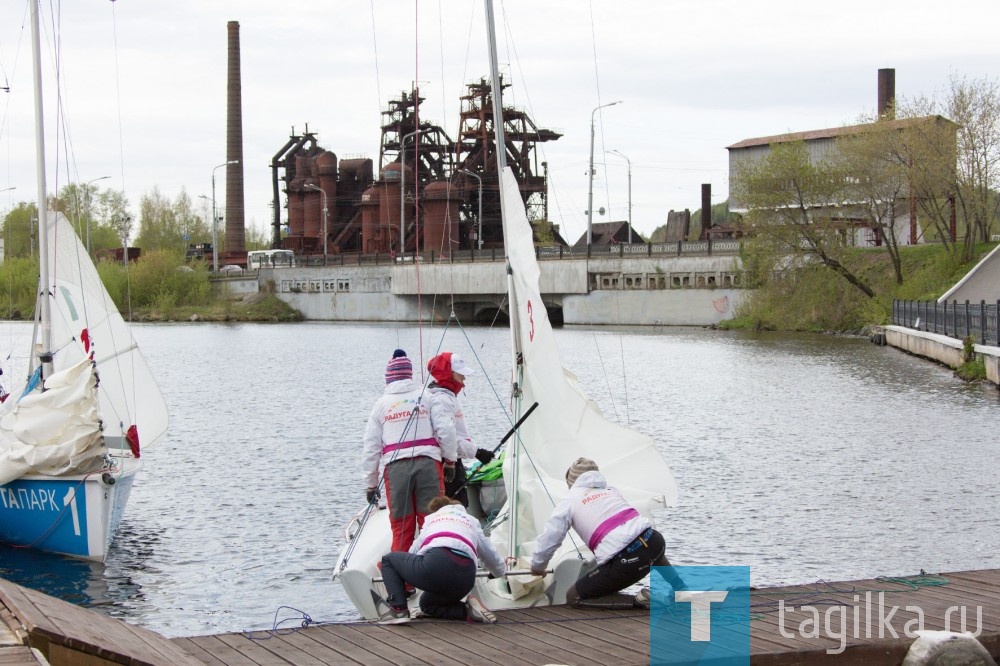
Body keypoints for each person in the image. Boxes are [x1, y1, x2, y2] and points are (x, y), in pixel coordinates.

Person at [529, 457, 687, 609]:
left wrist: (538, 566)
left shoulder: (570, 500)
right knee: (646, 543)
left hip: (629, 559)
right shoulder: (611, 491)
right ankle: (680, 588)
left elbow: (551, 537)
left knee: (574, 596)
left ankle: (640, 601)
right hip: (655, 540)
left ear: (571, 482)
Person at [361, 350, 456, 552]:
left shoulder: (380, 405)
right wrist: (450, 461)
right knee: (432, 522)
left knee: (401, 528)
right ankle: (432, 575)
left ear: (388, 377)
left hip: (395, 471)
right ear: (410, 374)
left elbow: (371, 448)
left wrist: (370, 485)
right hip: (429, 465)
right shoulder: (428, 397)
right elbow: (445, 431)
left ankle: (403, 581)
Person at [377, 495, 505, 624]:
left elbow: (413, 552)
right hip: (465, 578)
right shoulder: (471, 521)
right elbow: (489, 552)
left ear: (437, 510)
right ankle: (466, 611)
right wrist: (499, 572)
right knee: (427, 604)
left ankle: (398, 610)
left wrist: (403, 575)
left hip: (438, 562)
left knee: (389, 560)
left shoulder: (433, 519)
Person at [425, 352, 494, 505]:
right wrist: (477, 452)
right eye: (461, 374)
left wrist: (475, 451)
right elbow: (447, 437)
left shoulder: (447, 396)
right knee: (458, 503)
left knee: (461, 501)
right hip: (446, 463)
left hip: (453, 459)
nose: (464, 379)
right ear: (448, 374)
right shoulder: (441, 399)